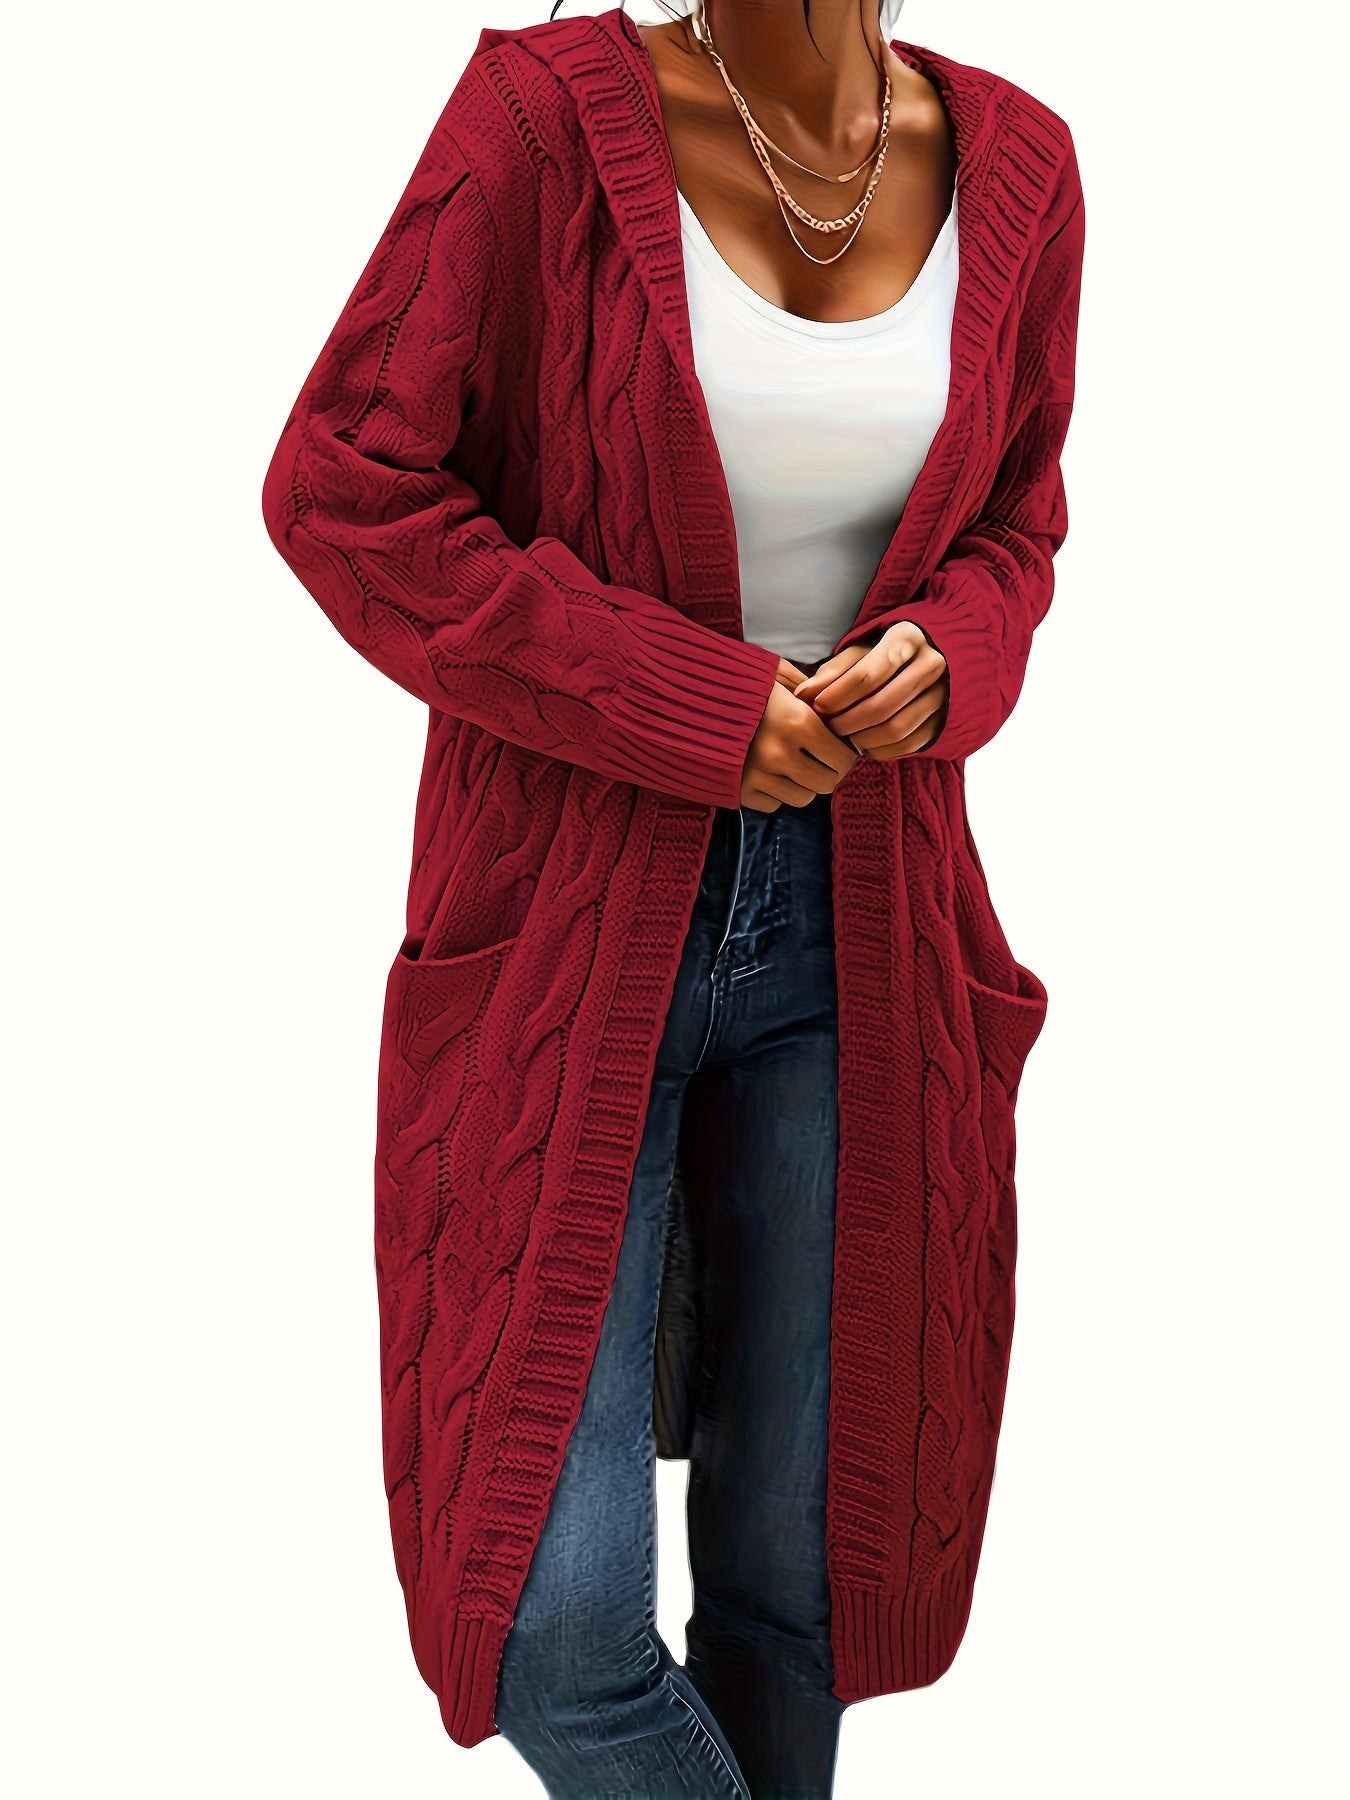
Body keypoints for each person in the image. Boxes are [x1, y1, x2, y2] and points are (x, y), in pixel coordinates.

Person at [260, 1, 1084, 1794]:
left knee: (797, 1596)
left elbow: (1016, 522)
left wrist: (954, 648)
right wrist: (677, 700)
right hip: (561, 923)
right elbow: (342, 488)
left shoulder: (1019, 165)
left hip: (873, 930)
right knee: (550, 1633)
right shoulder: (539, 120)